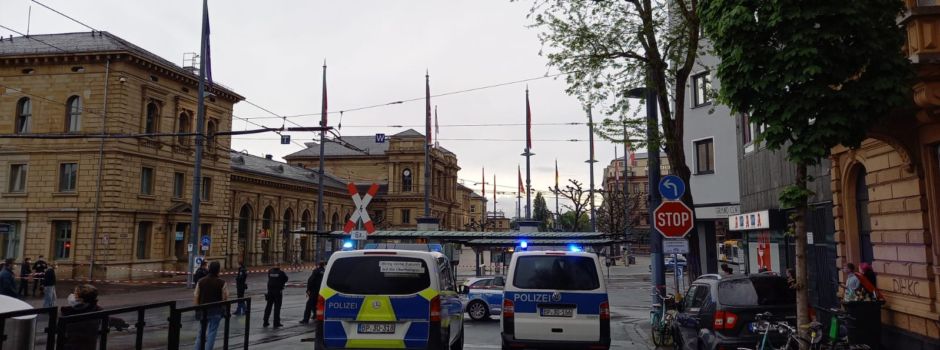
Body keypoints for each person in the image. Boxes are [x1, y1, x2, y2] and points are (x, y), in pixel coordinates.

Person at [193, 261, 227, 350]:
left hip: (203, 310)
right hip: (216, 310)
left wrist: (197, 309)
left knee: (201, 333)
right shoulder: (222, 282)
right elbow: (225, 297)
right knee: (212, 332)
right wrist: (223, 308)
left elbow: (196, 296)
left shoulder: (201, 281)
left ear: (209, 269)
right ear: (218, 270)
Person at [60, 284, 103, 350]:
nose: (72, 296)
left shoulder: (68, 312)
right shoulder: (97, 310)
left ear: (79, 299)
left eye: (75, 294)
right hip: (90, 346)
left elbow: (59, 330)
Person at [263, 262, 288, 328]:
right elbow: (286, 279)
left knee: (268, 307)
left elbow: (269, 278)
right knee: (277, 307)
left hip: (270, 292)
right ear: (279, 266)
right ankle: (276, 323)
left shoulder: (270, 271)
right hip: (277, 292)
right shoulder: (281, 273)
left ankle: (265, 321)